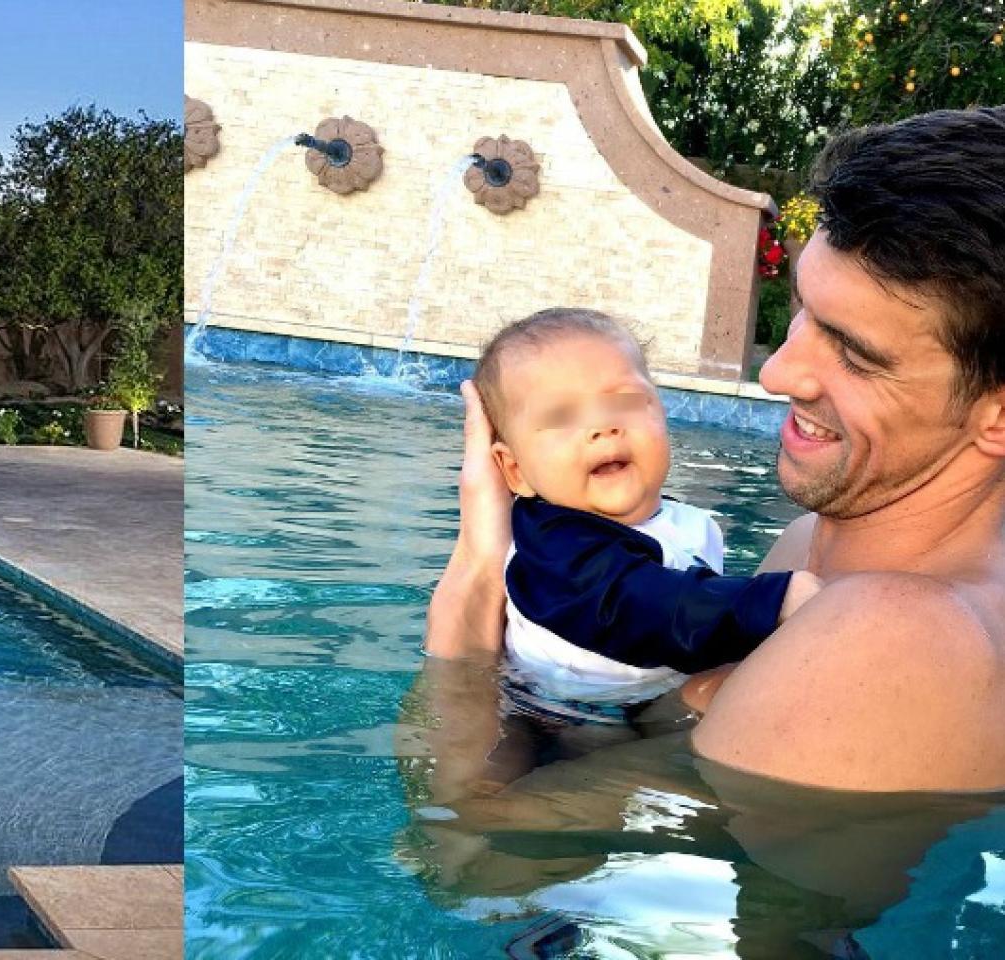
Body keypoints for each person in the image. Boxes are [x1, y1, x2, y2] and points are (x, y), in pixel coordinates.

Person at [426, 106, 1005, 793]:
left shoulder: (888, 638)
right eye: (800, 312)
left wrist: (473, 577)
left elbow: (469, 861)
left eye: (854, 352)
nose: (777, 372)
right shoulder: (806, 547)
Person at [469, 307, 822, 716]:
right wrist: (770, 601)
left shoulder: (672, 520)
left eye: (626, 401)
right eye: (561, 416)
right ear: (515, 470)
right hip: (555, 718)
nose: (603, 425)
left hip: (643, 704)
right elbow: (639, 604)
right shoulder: (554, 546)